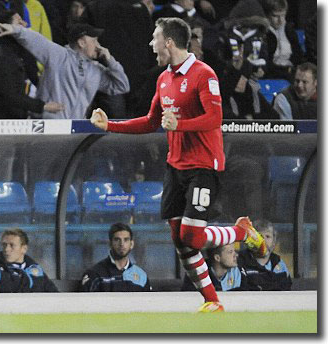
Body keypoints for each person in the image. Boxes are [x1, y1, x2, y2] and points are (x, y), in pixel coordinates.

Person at [89, 17, 267, 312]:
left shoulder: (203, 74)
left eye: (154, 38)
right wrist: (111, 125)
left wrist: (180, 124)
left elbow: (214, 118)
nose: (151, 44)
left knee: (192, 236)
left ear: (168, 42)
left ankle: (241, 232)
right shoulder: (163, 78)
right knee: (181, 241)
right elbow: (150, 122)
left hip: (203, 166)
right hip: (176, 166)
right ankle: (213, 302)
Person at [0, 21, 129, 119]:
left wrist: (111, 61)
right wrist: (16, 30)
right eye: (94, 41)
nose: (98, 45)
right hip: (49, 126)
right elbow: (37, 41)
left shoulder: (96, 70)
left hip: (74, 129)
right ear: (81, 43)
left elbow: (122, 86)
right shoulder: (59, 55)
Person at [0, 11, 63, 119]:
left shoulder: (16, 53)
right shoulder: (2, 57)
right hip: (0, 124)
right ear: (4, 29)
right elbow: (11, 95)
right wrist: (43, 106)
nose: (25, 24)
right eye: (19, 22)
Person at [80, 223, 151, 292]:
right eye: (117, 240)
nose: (122, 244)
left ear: (131, 244)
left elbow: (149, 302)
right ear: (110, 244)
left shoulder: (141, 276)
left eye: (126, 240)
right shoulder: (95, 274)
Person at [0, 228, 58, 292]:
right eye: (4, 245)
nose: (6, 249)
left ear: (24, 249)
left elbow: (54, 294)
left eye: (12, 245)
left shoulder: (35, 269)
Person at [237, 219, 292, 291]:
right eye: (260, 236)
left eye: (268, 237)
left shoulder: (279, 263)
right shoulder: (239, 261)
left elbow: (287, 292)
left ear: (274, 241)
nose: (264, 241)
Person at [261, 0, 304, 80]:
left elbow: (298, 56)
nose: (280, 20)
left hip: (291, 71)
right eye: (275, 16)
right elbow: (265, 64)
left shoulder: (289, 30)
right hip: (272, 74)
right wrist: (287, 70)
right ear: (267, 15)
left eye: (283, 15)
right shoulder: (262, 33)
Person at [182, 244, 249, 291]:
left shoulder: (239, 271)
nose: (236, 255)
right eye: (230, 252)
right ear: (217, 258)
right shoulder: (197, 272)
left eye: (234, 251)